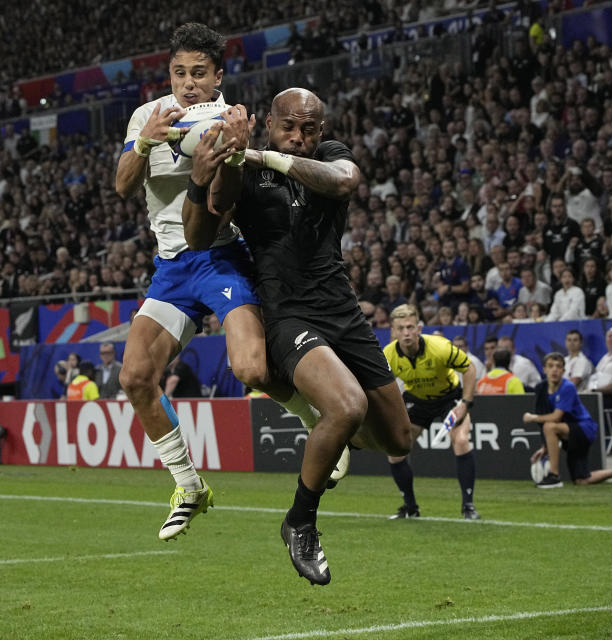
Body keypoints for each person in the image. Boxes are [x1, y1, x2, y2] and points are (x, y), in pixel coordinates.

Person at [195, 87, 414, 585]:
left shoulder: (331, 157)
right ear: (269, 121)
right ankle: (301, 520)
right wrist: (231, 158)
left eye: (308, 129)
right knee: (347, 406)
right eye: (288, 126)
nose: (298, 137)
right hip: (289, 314)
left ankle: (329, 435)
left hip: (343, 310)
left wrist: (264, 153)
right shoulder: (246, 171)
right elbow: (216, 209)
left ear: (322, 130)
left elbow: (343, 182)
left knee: (399, 439)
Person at [114, 24, 318, 543]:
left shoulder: (232, 121)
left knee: (250, 367)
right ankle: (189, 485)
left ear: (218, 77)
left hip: (221, 255)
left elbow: (224, 204)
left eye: (199, 74)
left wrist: (227, 155)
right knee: (135, 377)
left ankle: (314, 423)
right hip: (171, 268)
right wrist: (144, 141)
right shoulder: (148, 116)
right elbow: (122, 184)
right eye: (179, 73)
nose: (188, 84)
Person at [383, 305, 480, 521]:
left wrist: (465, 402)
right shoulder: (388, 355)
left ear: (418, 328)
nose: (406, 332)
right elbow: (380, 386)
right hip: (417, 400)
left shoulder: (440, 347)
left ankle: (468, 506)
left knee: (461, 440)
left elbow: (469, 368)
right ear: (394, 331)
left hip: (448, 397)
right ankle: (410, 507)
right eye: (401, 328)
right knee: (396, 450)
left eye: (410, 327)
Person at [524, 353, 612, 488]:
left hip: (584, 429)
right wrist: (544, 447)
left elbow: (555, 417)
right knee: (581, 480)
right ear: (544, 369)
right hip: (568, 432)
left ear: (563, 371)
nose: (554, 370)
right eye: (550, 366)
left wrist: (532, 417)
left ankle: (554, 476)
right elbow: (543, 417)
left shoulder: (567, 387)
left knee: (550, 426)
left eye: (558, 366)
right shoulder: (541, 389)